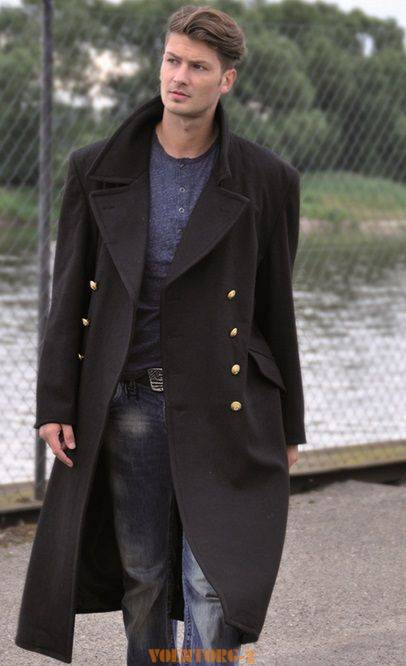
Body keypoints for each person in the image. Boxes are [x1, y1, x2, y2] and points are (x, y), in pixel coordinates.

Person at [15, 5, 306, 665]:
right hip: (131, 403)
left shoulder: (267, 181)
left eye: (198, 67)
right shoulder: (96, 168)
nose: (179, 77)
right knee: (144, 578)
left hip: (225, 406)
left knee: (212, 583)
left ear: (226, 80)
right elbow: (69, 293)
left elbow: (275, 311)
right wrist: (56, 401)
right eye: (173, 60)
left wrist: (290, 424)